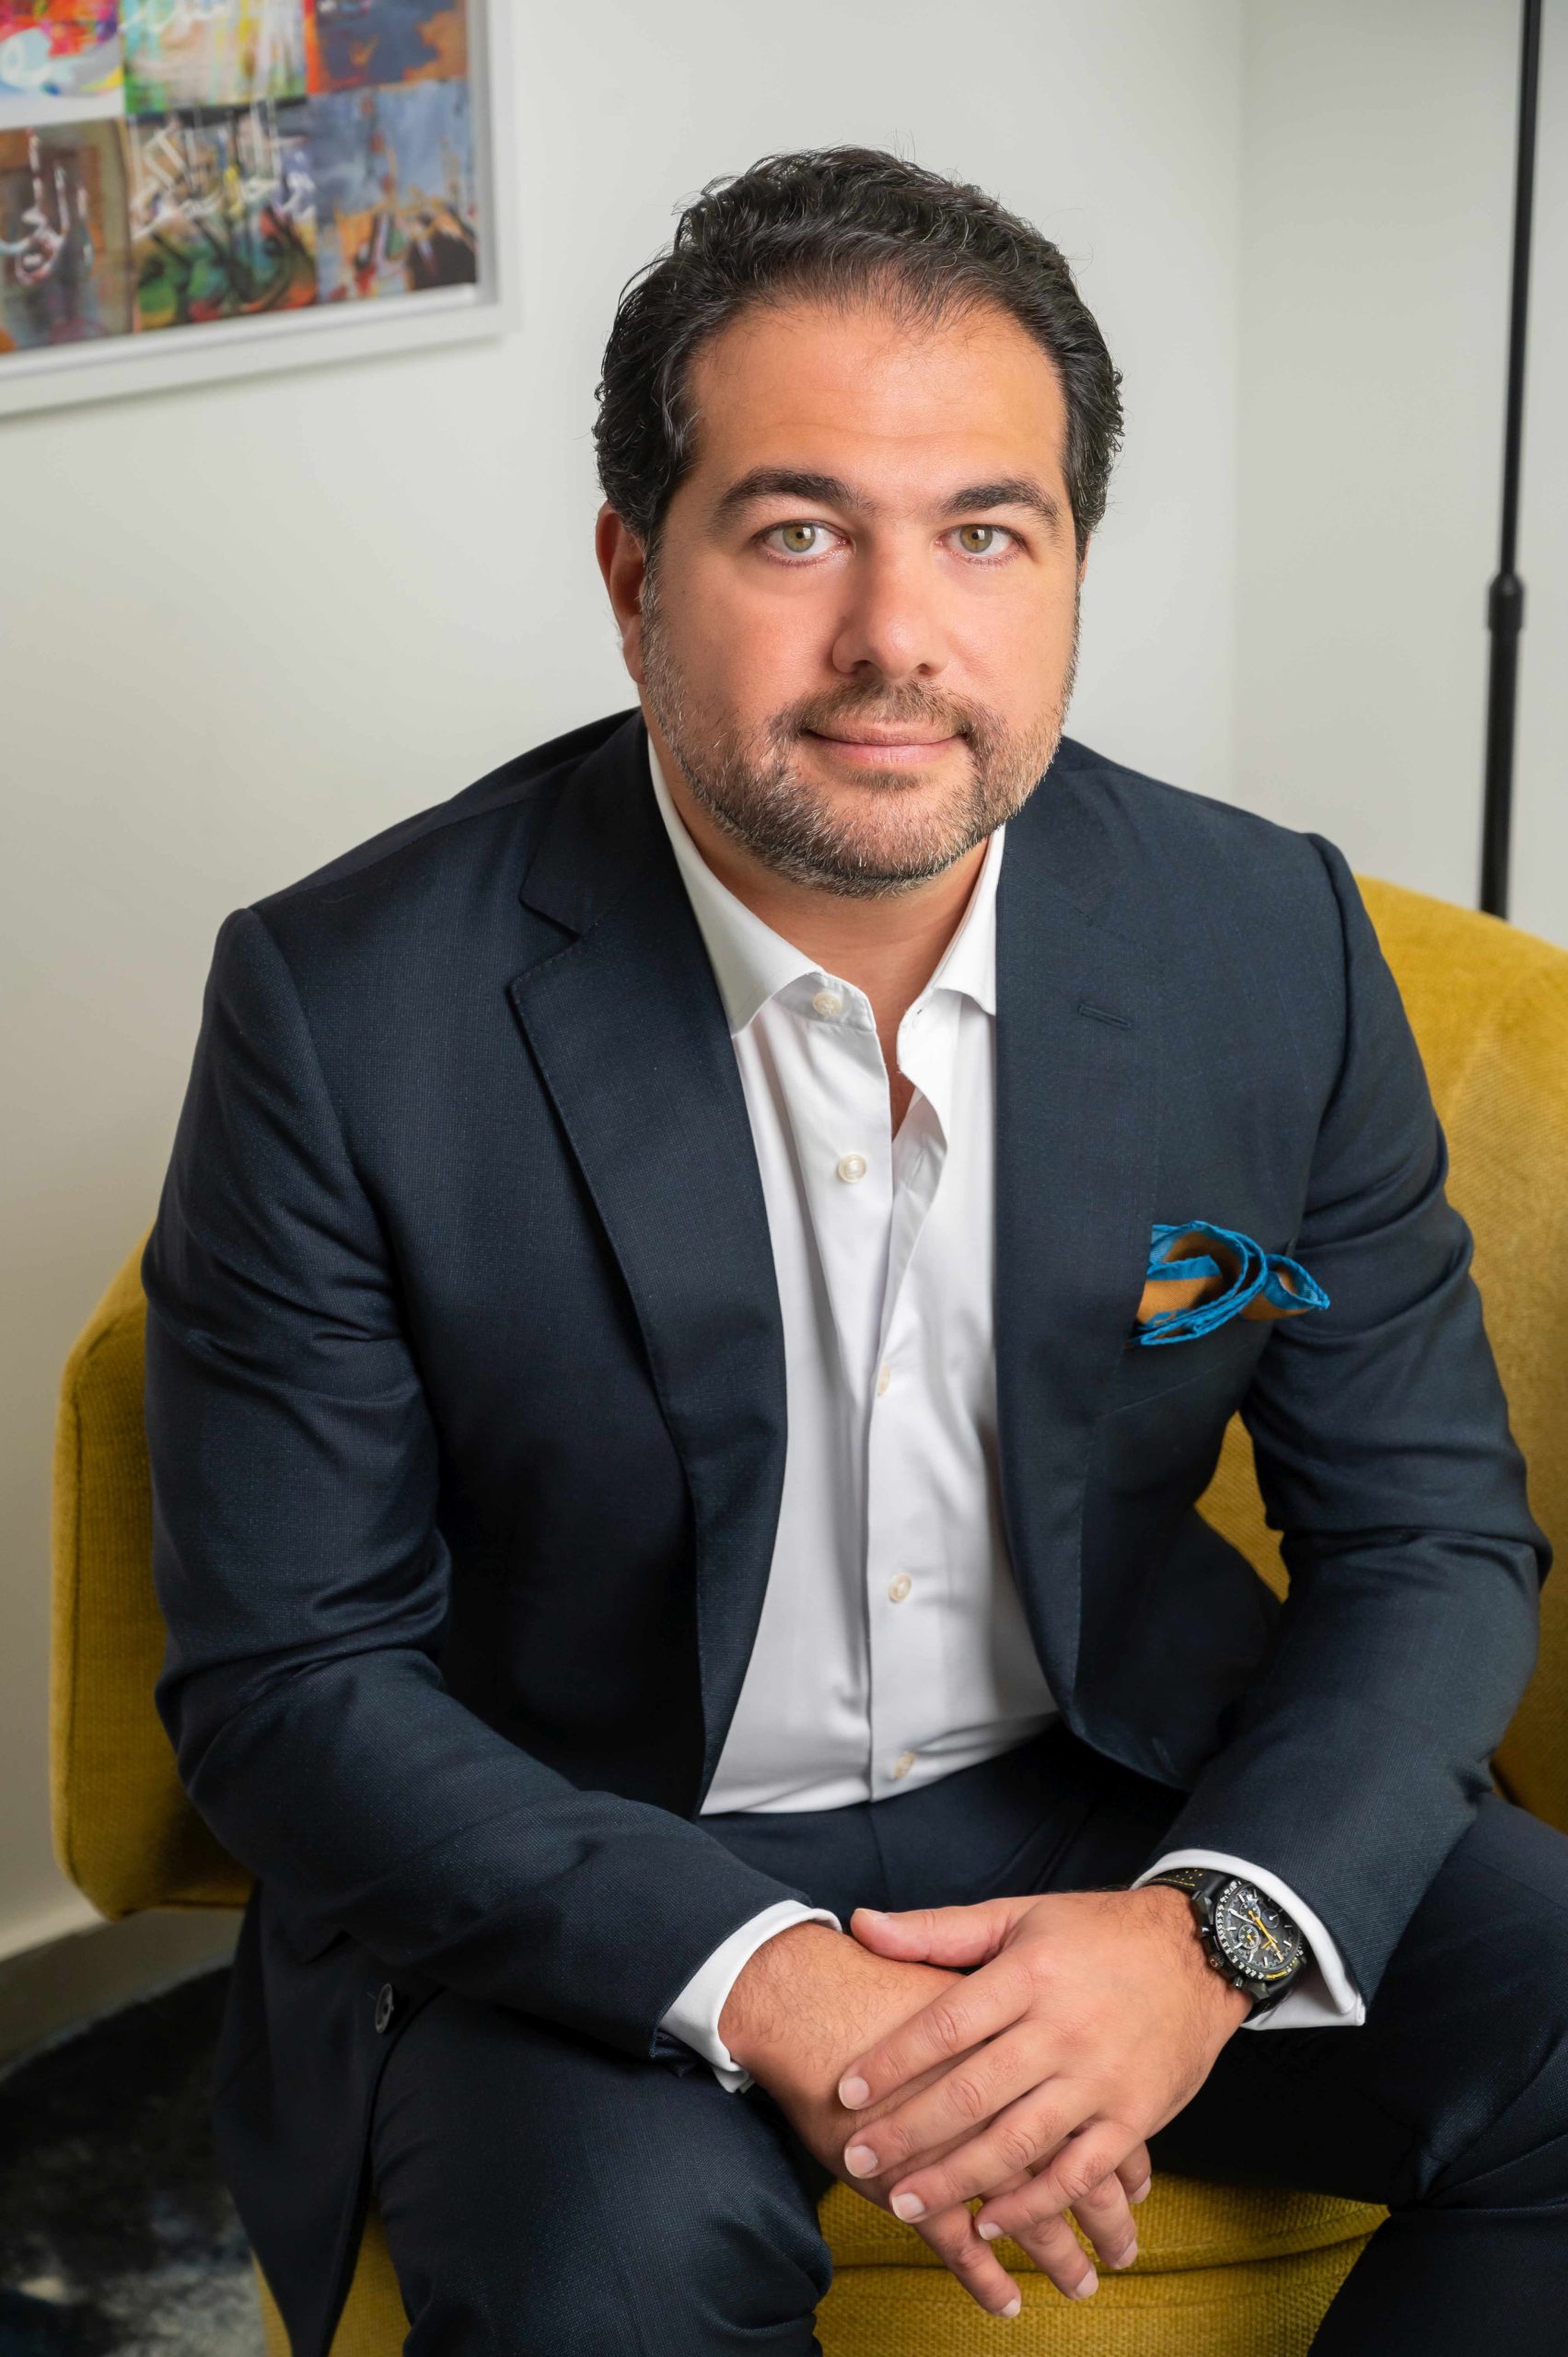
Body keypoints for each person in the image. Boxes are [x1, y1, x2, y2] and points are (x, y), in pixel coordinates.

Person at [141, 146, 1562, 2357]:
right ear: (635, 572)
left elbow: (1429, 1536)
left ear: (1071, 566)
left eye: (987, 532)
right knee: (607, 2269)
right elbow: (289, 1675)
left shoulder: (1262, 938)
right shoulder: (347, 1007)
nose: (901, 636)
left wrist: (1207, 1936)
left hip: (1123, 1788)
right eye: (798, 530)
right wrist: (767, 1975)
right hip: (594, 1835)